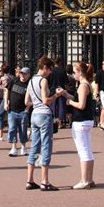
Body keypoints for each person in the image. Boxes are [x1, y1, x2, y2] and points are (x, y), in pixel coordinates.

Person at [25, 55, 64, 191]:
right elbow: (46, 100)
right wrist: (56, 95)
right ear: (45, 68)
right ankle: (44, 180)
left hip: (34, 114)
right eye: (50, 70)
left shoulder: (30, 81)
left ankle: (30, 180)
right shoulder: (43, 81)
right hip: (44, 114)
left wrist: (36, 103)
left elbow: (26, 102)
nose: (50, 72)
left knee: (34, 146)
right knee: (46, 146)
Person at [63, 61, 96, 189]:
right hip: (86, 120)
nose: (74, 74)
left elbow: (80, 105)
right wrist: (66, 94)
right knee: (88, 151)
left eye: (75, 72)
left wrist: (70, 102)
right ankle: (89, 179)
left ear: (80, 72)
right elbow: (80, 99)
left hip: (80, 121)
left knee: (83, 152)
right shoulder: (86, 84)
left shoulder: (83, 85)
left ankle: (84, 180)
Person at [4, 67, 30, 156]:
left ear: (28, 75)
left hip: (23, 111)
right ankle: (14, 147)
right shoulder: (14, 81)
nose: (22, 75)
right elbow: (7, 90)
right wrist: (6, 103)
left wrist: (27, 108)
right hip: (12, 110)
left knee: (23, 129)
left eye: (24, 74)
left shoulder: (29, 85)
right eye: (21, 73)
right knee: (12, 129)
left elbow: (32, 97)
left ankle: (23, 147)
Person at [0, 64, 14, 142]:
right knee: (11, 115)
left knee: (0, 115)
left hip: (5, 97)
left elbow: (2, 88)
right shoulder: (12, 77)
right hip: (12, 97)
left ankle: (0, 135)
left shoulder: (3, 78)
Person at [49, 58, 68, 128]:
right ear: (59, 63)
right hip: (61, 89)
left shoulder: (51, 71)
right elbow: (66, 82)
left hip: (53, 90)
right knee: (61, 107)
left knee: (53, 107)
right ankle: (60, 123)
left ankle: (52, 122)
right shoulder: (62, 70)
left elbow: (49, 81)